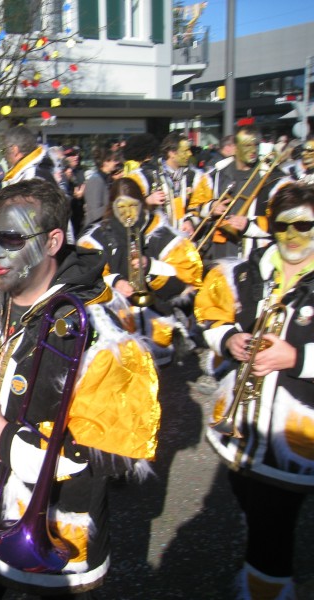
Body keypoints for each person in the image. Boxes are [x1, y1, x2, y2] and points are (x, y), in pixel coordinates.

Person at [0, 177, 161, 599]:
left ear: (53, 241)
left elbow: (114, 452)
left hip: (52, 520)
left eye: (13, 238)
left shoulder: (100, 327)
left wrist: (13, 446)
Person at [194, 182, 314, 600]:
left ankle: (268, 588)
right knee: (247, 496)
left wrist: (296, 359)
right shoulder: (246, 271)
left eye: (305, 225)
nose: (294, 236)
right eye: (284, 227)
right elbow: (207, 319)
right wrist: (228, 339)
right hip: (242, 424)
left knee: (270, 531)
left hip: (297, 435)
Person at [77, 176, 203, 365]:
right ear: (112, 207)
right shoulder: (97, 237)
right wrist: (115, 282)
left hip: (158, 325)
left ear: (143, 204)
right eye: (121, 208)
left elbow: (189, 277)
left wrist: (152, 266)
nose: (128, 214)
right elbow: (84, 275)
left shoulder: (160, 234)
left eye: (133, 206)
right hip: (118, 326)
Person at [199, 126, 285, 260]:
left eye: (256, 145)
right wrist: (211, 207)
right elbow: (195, 206)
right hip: (217, 251)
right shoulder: (215, 174)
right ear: (235, 147)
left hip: (252, 254)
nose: (253, 150)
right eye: (247, 145)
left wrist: (248, 224)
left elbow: (283, 220)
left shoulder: (273, 178)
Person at [81, 147, 121, 231]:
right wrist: (115, 205)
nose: (117, 163)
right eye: (114, 160)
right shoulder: (95, 180)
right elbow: (95, 212)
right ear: (105, 162)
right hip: (94, 230)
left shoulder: (106, 179)